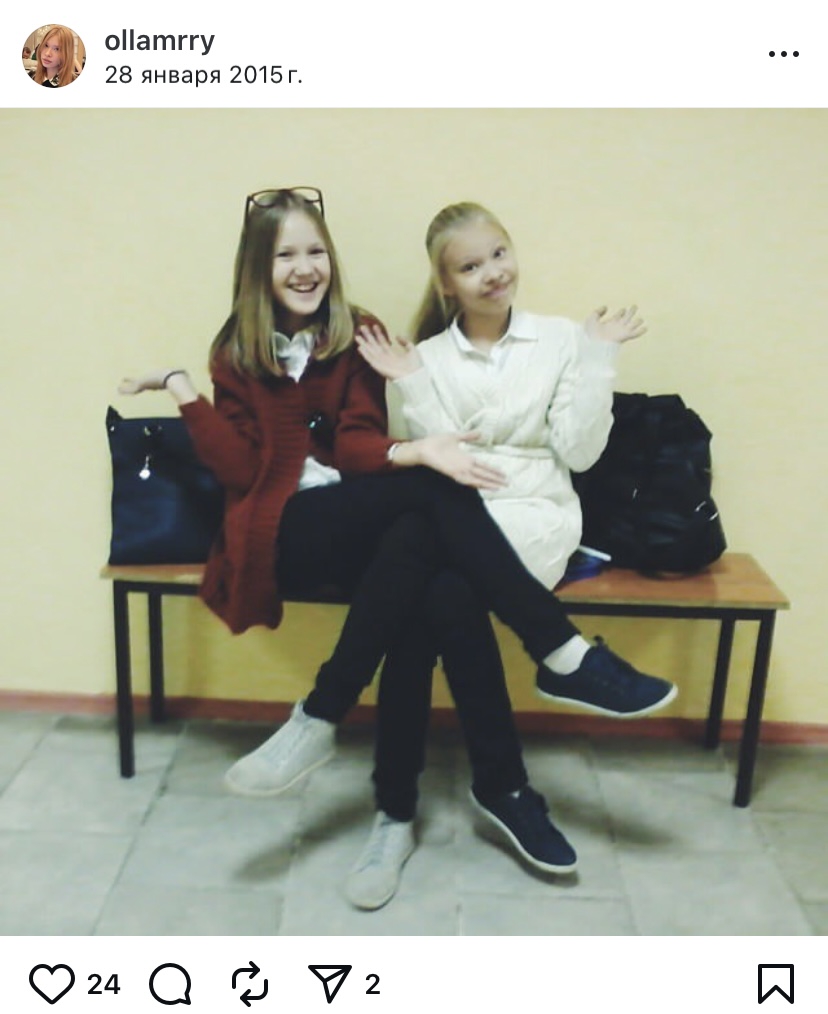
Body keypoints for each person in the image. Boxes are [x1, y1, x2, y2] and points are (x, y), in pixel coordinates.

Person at [118, 188, 675, 910]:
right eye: (285, 255)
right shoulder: (237, 351)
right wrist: (184, 392)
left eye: (315, 251)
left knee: (428, 581)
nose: (305, 267)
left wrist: (410, 450)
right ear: (259, 268)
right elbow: (239, 471)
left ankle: (387, 801)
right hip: (281, 528)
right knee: (432, 496)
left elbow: (357, 444)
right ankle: (556, 666)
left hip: (370, 519)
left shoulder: (359, 333)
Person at [353, 199, 679, 902]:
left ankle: (397, 809)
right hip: (454, 513)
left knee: (426, 597)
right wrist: (410, 382)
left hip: (536, 513)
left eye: (498, 254)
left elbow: (580, 453)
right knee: (441, 595)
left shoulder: (561, 339)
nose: (492, 273)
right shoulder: (424, 358)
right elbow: (440, 459)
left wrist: (598, 356)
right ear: (446, 284)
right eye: (471, 266)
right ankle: (511, 770)